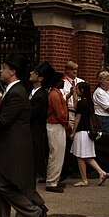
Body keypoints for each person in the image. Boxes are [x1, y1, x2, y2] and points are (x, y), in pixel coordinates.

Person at [0, 52, 47, 217]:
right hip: (9, 147)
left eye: (4, 68)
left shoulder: (17, 93)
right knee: (2, 185)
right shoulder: (13, 90)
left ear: (12, 71)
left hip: (14, 148)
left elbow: (4, 120)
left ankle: (34, 213)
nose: (1, 71)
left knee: (5, 186)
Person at [69, 81, 109, 187]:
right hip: (88, 132)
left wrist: (73, 132)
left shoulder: (82, 103)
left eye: (77, 89)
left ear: (81, 90)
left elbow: (77, 118)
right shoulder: (89, 102)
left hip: (81, 132)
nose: (76, 91)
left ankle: (84, 179)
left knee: (80, 156)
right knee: (86, 156)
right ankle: (101, 172)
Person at [44, 63, 69, 193]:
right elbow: (60, 113)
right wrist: (67, 124)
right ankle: (52, 182)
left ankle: (54, 180)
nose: (63, 83)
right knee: (56, 154)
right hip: (55, 125)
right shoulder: (54, 94)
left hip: (57, 125)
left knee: (58, 154)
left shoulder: (56, 93)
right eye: (61, 81)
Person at [28, 62, 52, 184]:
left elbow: (31, 113)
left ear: (40, 78)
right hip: (32, 128)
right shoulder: (33, 92)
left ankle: (39, 173)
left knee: (36, 151)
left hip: (36, 128)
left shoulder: (41, 95)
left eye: (35, 73)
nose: (31, 73)